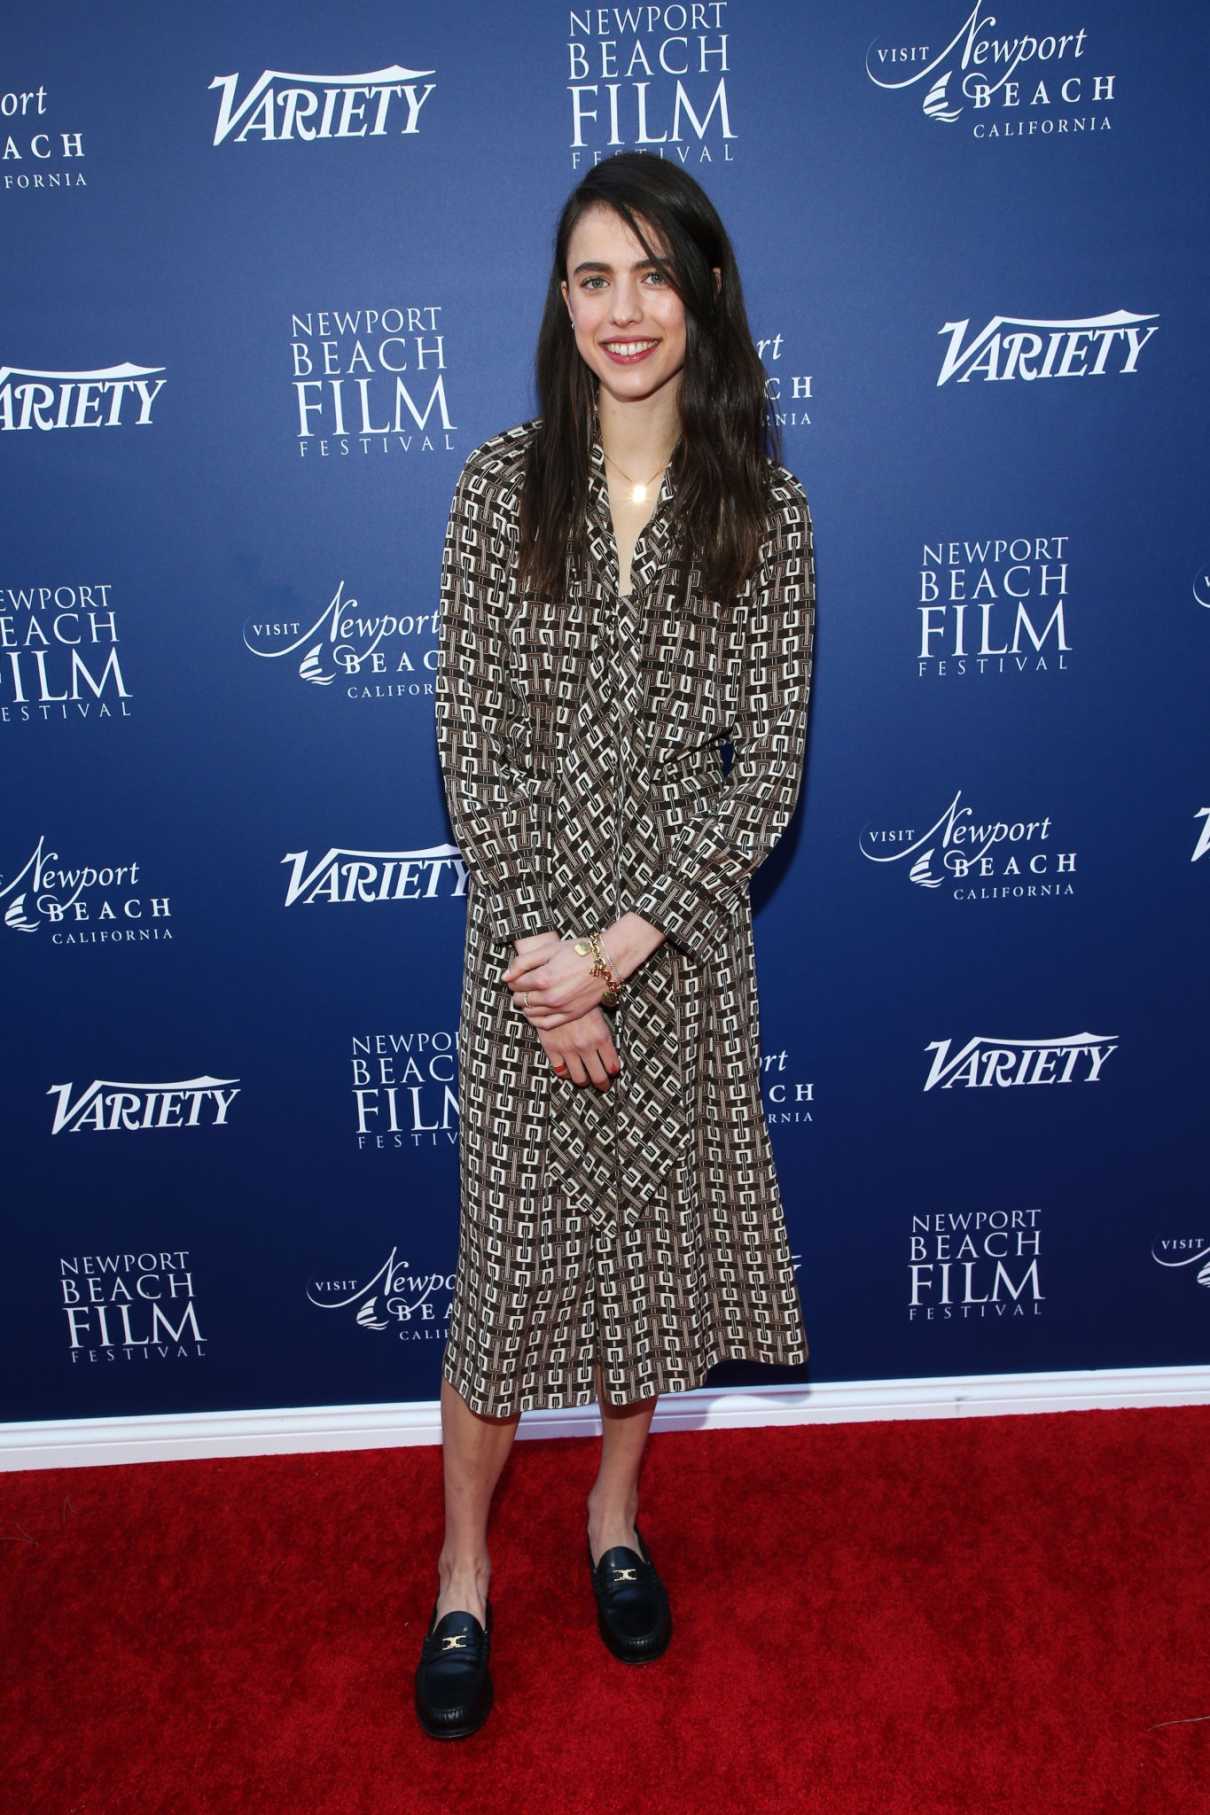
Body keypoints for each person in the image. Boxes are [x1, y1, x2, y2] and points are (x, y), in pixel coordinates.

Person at [416, 151, 817, 1739]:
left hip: (680, 959)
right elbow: (472, 743)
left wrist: (623, 950)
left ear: (706, 292)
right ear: (560, 302)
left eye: (655, 274)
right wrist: (548, 961)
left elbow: (765, 770)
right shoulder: (492, 485)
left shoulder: (764, 513)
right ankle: (461, 1572)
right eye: (594, 277)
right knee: (503, 1298)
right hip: (521, 972)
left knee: (648, 1286)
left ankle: (613, 1519)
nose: (624, 309)